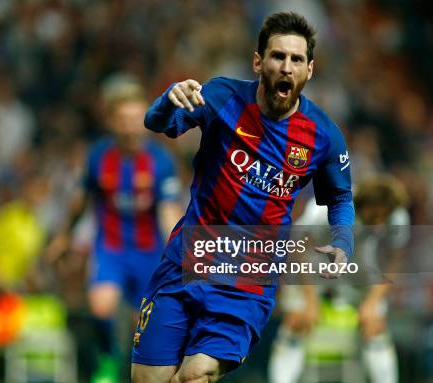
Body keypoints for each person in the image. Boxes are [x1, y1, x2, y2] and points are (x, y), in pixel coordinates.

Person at [131, 12, 355, 382]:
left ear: (309, 69)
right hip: (188, 259)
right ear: (258, 61)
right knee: (147, 380)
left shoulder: (323, 136)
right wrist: (168, 101)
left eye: (296, 59)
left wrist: (343, 240)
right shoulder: (223, 96)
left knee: (195, 375)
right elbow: (159, 124)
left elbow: (340, 197)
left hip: (249, 276)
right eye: (278, 56)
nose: (286, 67)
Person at [47, 76, 182, 381]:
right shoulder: (99, 156)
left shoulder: (159, 160)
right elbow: (81, 201)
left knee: (143, 327)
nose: (131, 127)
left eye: (137, 119)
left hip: (149, 253)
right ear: (111, 121)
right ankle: (107, 361)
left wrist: (180, 252)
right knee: (100, 307)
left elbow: (168, 211)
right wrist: (64, 236)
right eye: (124, 120)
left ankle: (131, 369)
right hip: (111, 249)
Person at [269, 175, 409, 383]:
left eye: (385, 216)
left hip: (358, 267)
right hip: (312, 264)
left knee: (374, 325)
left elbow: (394, 260)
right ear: (365, 204)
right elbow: (298, 251)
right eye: (377, 215)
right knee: (298, 322)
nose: (381, 222)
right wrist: (310, 301)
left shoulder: (396, 216)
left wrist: (372, 302)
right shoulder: (327, 209)